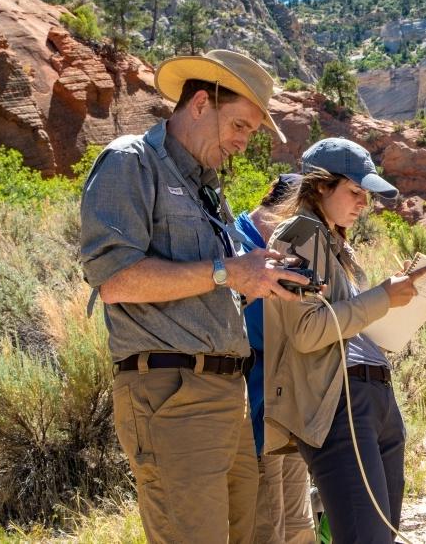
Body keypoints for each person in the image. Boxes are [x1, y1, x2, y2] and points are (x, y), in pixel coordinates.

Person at [79, 49, 309, 544]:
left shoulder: (209, 190)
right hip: (171, 396)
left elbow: (213, 287)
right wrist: (228, 270)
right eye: (241, 126)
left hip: (228, 395)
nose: (244, 144)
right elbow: (114, 279)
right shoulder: (130, 161)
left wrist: (262, 281)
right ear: (202, 103)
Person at [263, 138, 426, 544]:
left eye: (366, 196)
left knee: (381, 535)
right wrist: (382, 298)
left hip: (373, 397)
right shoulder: (300, 233)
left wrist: (389, 307)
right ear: (320, 186)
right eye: (354, 192)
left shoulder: (336, 243)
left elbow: (344, 325)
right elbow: (306, 332)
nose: (362, 204)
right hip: (340, 403)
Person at [236, 174, 317, 544]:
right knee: (267, 523)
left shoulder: (295, 247)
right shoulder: (237, 243)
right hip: (255, 408)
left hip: (293, 408)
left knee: (299, 525)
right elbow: (251, 325)